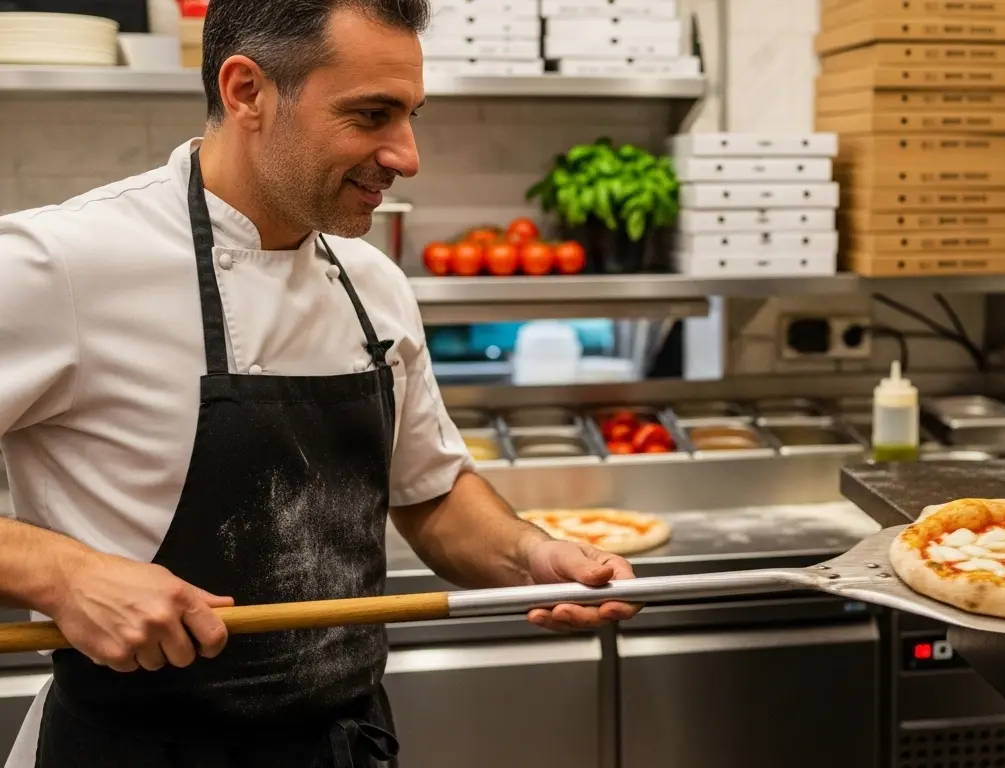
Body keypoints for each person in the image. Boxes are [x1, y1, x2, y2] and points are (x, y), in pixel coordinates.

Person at [0, 1, 640, 765]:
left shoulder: (372, 279)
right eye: (372, 115)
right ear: (247, 93)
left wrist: (531, 557)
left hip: (344, 745)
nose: (406, 155)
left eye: (409, 115)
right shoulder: (61, 265)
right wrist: (62, 573)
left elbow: (429, 492)